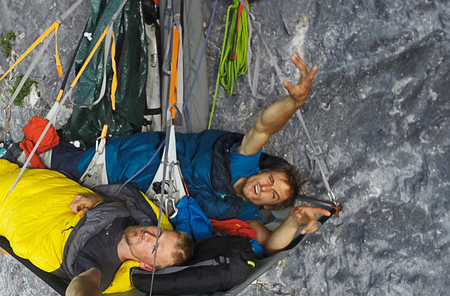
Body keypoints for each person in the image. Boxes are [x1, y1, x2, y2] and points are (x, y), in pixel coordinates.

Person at [46, 53, 331, 253]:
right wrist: (293, 104)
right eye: (270, 179)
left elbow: (269, 245)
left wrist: (294, 220)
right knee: (51, 165)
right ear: (263, 170)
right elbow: (263, 128)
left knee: (62, 204)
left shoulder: (246, 213)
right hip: (132, 163)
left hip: (134, 201)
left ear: (268, 206)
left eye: (273, 194)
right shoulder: (243, 162)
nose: (265, 187)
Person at [0, 138, 194, 296]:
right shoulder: (131, 217)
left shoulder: (102, 268)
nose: (149, 235)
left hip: (16, 211)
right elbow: (125, 196)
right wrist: (97, 199)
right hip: (40, 186)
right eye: (159, 233)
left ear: (146, 265)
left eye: (154, 247)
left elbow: (85, 286)